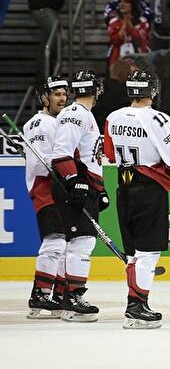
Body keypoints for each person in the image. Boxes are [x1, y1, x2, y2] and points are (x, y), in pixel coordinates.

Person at [103, 70, 170, 329]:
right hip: (149, 187)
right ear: (152, 91)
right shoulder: (158, 119)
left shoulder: (113, 117)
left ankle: (134, 302)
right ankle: (137, 306)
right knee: (148, 251)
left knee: (133, 253)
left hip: (123, 186)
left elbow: (109, 154)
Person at [50, 71, 108, 322]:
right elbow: (62, 152)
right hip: (75, 184)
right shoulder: (75, 114)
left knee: (79, 241)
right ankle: (73, 298)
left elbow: (89, 157)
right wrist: (75, 181)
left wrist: (100, 190)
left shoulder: (84, 115)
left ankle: (66, 297)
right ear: (96, 90)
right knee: (81, 242)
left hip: (84, 184)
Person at [23, 76, 70, 319]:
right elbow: (42, 166)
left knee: (64, 244)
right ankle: (40, 294)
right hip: (47, 190)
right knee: (55, 243)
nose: (62, 98)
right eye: (56, 94)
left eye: (64, 94)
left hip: (56, 190)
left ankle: (58, 295)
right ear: (44, 98)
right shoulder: (41, 124)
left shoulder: (51, 122)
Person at [107, 0, 151, 68]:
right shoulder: (113, 22)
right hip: (118, 60)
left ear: (132, 4)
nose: (122, 4)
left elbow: (141, 41)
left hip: (139, 61)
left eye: (126, 2)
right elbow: (114, 41)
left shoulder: (142, 22)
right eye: (121, 1)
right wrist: (123, 27)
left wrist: (129, 25)